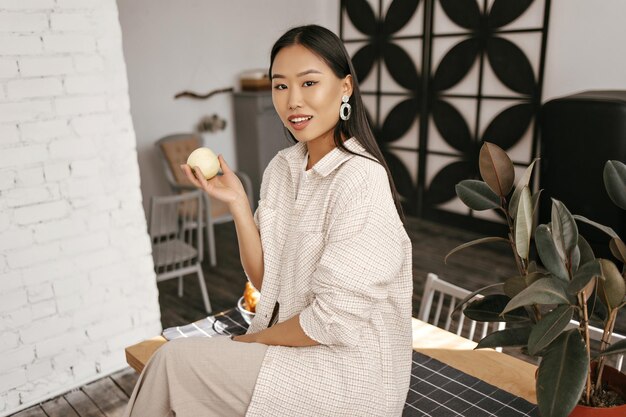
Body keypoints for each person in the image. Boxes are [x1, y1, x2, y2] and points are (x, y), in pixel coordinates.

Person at [123, 24, 413, 417]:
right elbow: (267, 282)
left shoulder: (361, 179)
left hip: (352, 374)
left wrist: (249, 343)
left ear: (345, 88)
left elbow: (332, 323)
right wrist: (239, 205)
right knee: (176, 367)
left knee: (173, 362)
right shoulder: (282, 168)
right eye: (280, 86)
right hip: (297, 349)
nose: (293, 100)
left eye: (309, 83)